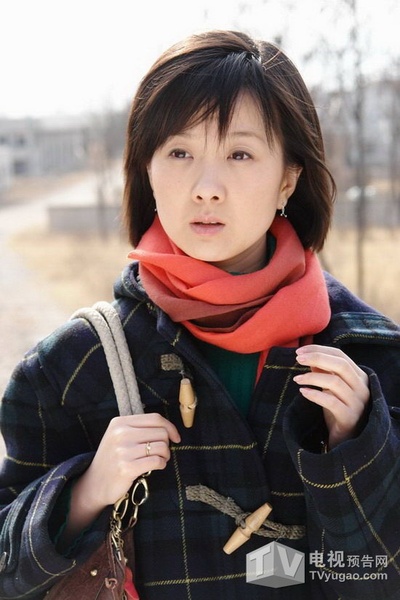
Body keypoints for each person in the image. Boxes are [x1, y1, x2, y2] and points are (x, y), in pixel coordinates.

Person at [0, 29, 400, 600]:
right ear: (147, 170)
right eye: (180, 153)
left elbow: (378, 580)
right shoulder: (69, 370)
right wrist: (84, 493)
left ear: (288, 178)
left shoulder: (368, 357)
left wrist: (358, 448)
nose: (206, 188)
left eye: (239, 154)